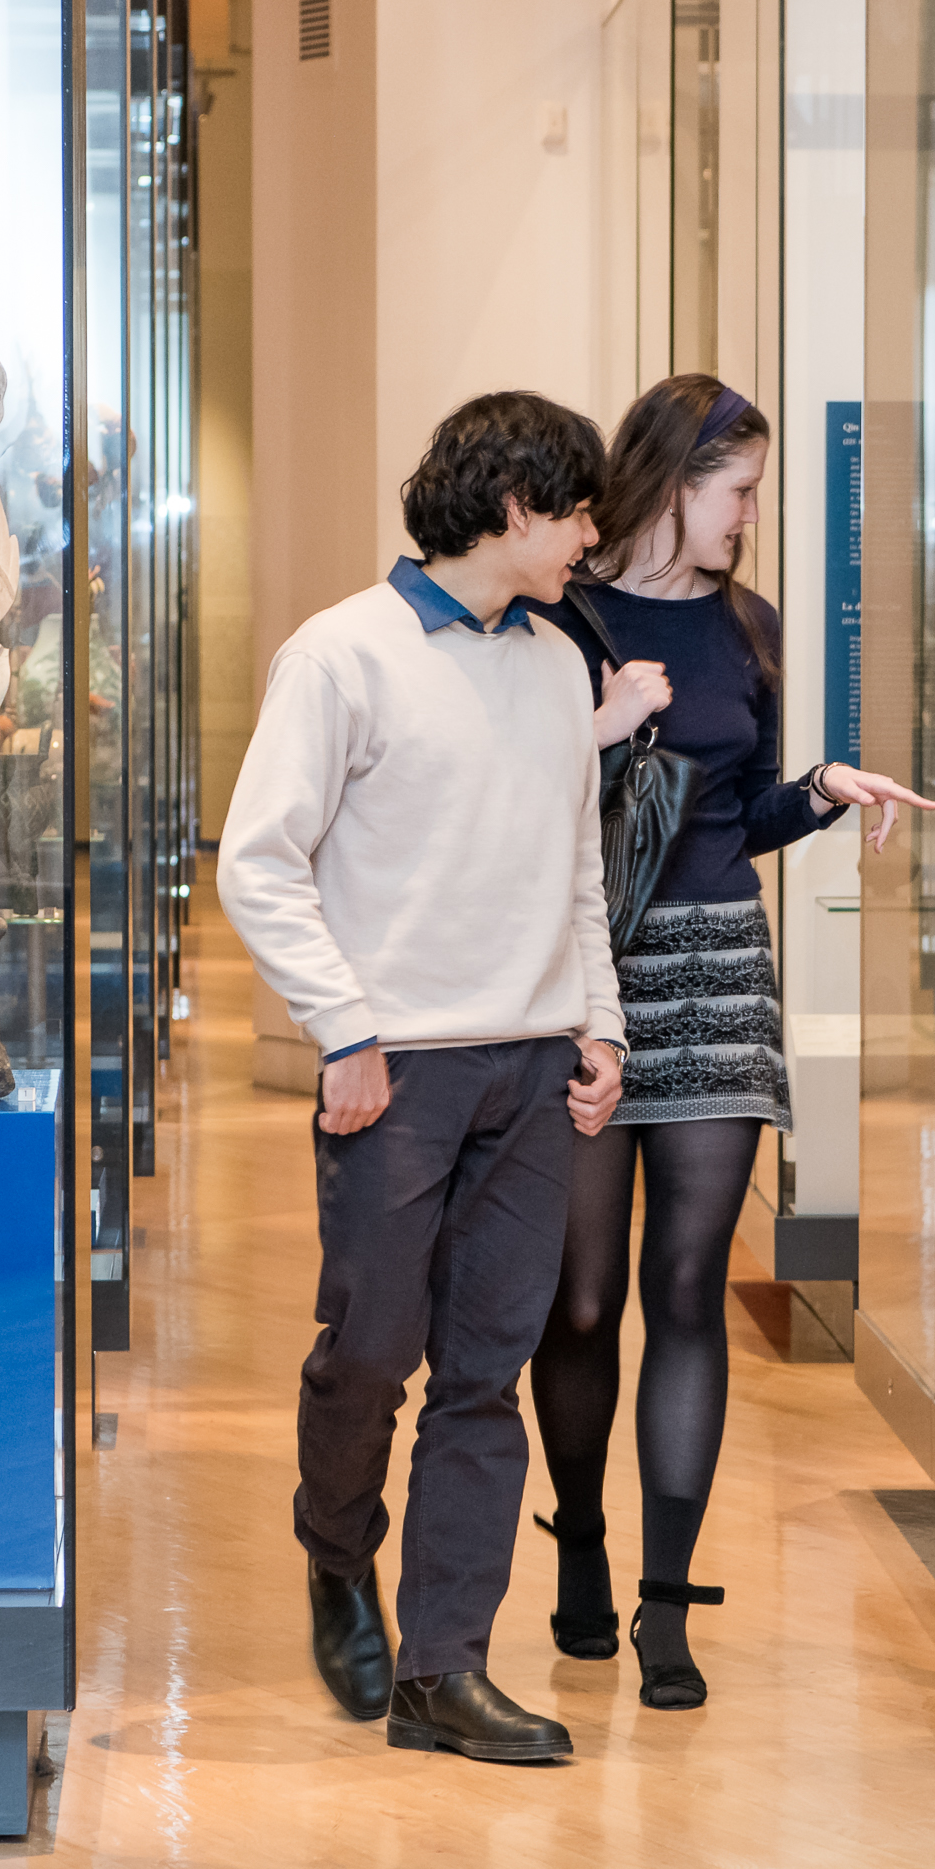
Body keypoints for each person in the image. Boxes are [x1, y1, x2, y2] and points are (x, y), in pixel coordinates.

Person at [217, 391, 630, 1765]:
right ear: (510, 505)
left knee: (484, 1376)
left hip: (528, 1069)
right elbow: (259, 861)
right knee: (373, 1354)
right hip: (394, 1075)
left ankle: (443, 1669)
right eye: (577, 510)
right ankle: (336, 1552)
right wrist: (341, 1028)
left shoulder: (561, 665)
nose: (590, 537)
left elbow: (577, 867)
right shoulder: (342, 656)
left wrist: (601, 1025)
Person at [529, 374, 935, 1710]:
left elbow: (733, 818)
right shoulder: (561, 617)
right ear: (671, 480)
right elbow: (514, 803)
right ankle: (579, 1547)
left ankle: (664, 1605)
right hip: (589, 981)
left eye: (754, 491)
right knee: (580, 1297)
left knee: (688, 1288)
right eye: (737, 489)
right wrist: (604, 724)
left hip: (718, 969)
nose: (750, 516)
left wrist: (817, 791)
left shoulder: (747, 625)